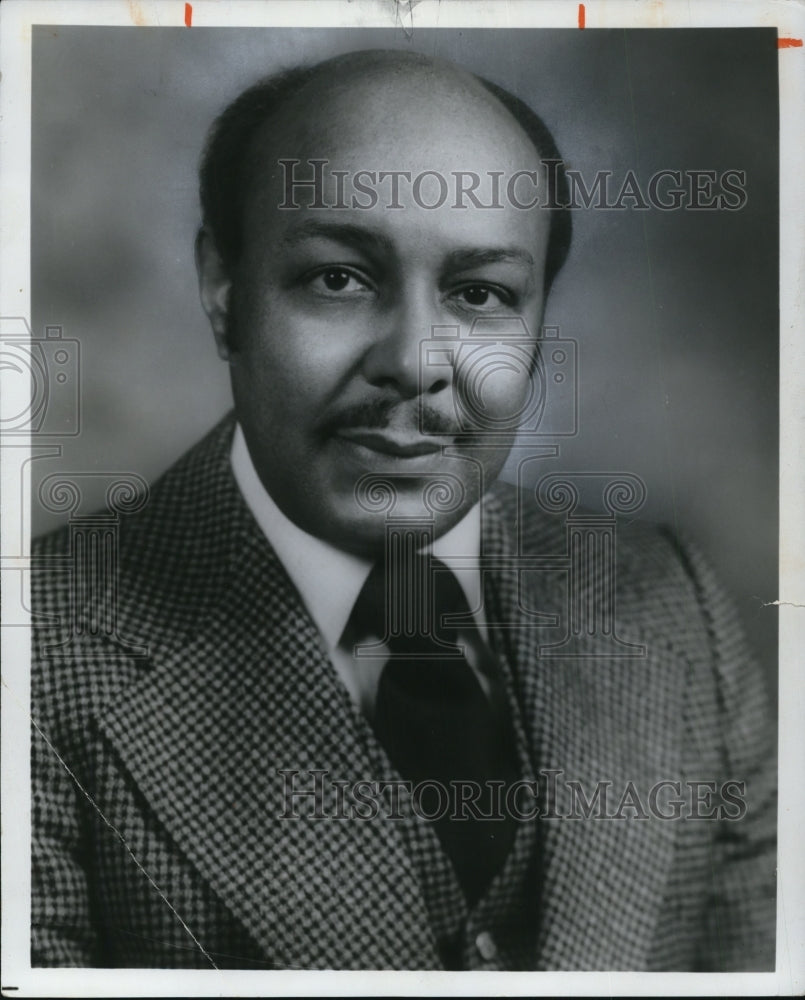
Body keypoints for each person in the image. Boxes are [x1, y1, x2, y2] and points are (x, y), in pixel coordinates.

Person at [30, 49, 776, 971]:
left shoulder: (674, 607)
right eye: (338, 278)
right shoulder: (32, 655)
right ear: (223, 292)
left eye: (479, 294)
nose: (416, 361)